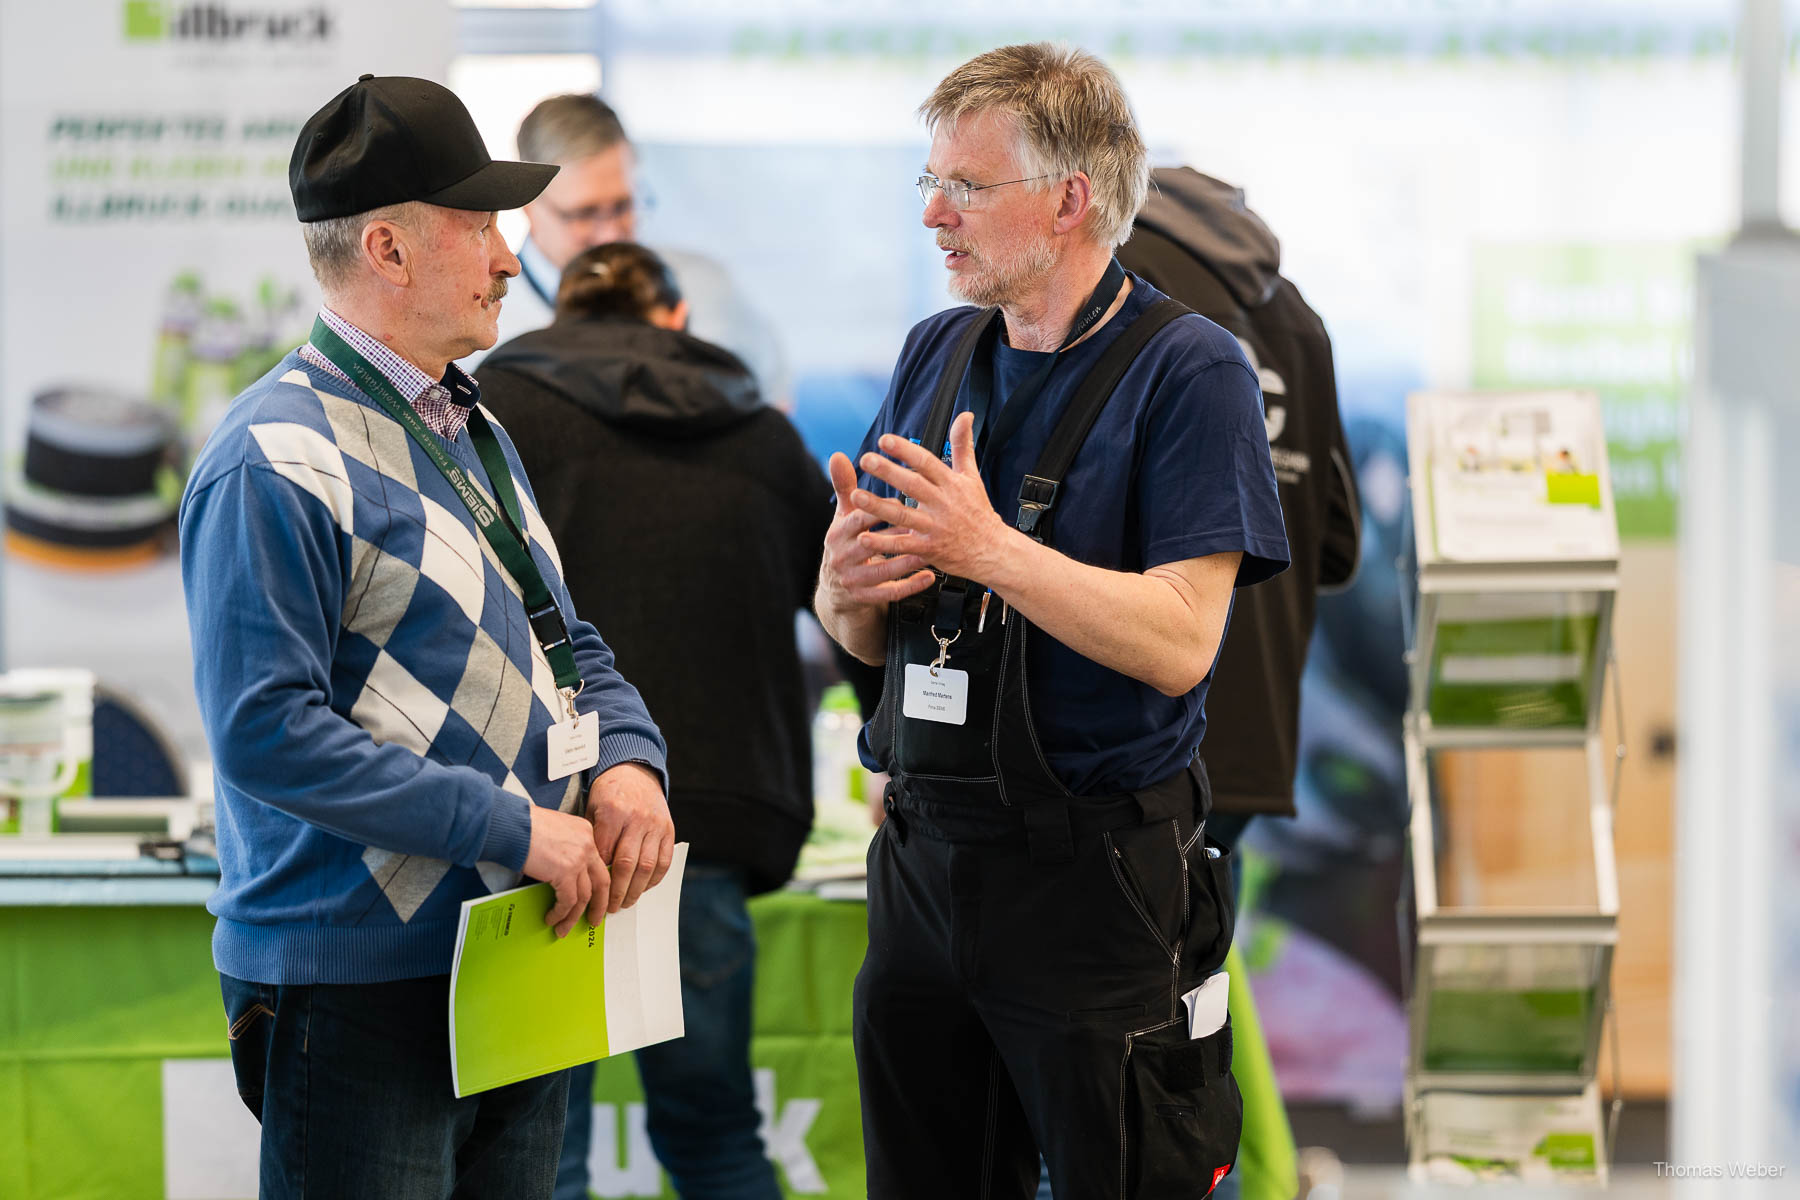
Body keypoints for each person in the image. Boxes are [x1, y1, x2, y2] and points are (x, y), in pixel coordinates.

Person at [179, 74, 675, 1200]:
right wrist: (513, 825)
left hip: (516, 947)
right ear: (389, 250)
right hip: (361, 980)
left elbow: (565, 639)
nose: (508, 258)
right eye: (481, 226)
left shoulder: (470, 424)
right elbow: (267, 734)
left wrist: (628, 760)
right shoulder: (271, 456)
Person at [817, 44, 1290, 1199]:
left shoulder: (1192, 372)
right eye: (929, 182)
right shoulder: (937, 353)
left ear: (1071, 198)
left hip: (1093, 885)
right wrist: (844, 585)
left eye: (966, 187)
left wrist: (989, 549)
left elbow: (1181, 641)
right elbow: (864, 636)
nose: (933, 214)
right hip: (924, 864)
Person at [476, 243, 828, 1199]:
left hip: (547, 824)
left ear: (561, 315)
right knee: (716, 1138)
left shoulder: (496, 414)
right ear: (676, 319)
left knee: (542, 1149)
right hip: (709, 822)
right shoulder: (761, 433)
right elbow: (849, 608)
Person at [1117, 166, 1362, 868]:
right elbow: (1337, 545)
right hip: (1259, 730)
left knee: (1131, 930)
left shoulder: (1120, 283)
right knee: (1204, 921)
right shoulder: (1298, 318)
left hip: (1145, 720)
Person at [469, 92, 788, 406]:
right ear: (529, 206)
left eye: (623, 206)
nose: (611, 235)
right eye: (584, 214)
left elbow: (774, 400)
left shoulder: (706, 290)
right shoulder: (479, 323)